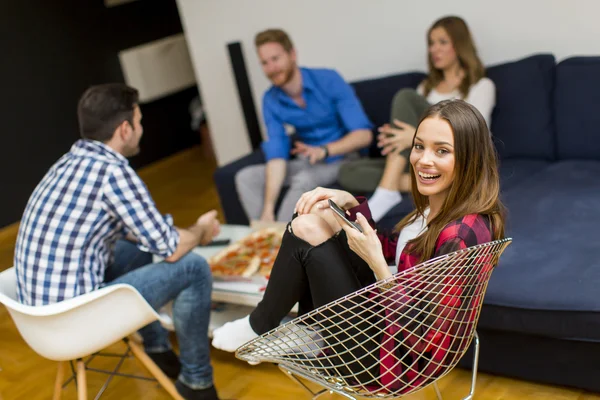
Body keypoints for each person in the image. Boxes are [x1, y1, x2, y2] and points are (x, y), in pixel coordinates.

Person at [212, 99, 505, 388]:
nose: (423, 160)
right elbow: (392, 248)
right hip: (383, 329)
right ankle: (300, 328)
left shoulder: (460, 235)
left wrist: (379, 265)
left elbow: (423, 335)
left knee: (307, 228)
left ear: (469, 158)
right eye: (419, 146)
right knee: (312, 222)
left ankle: (265, 325)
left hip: (389, 361)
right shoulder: (438, 208)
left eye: (442, 151)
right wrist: (350, 204)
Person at [14, 84, 221, 400]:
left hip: (37, 321)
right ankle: (197, 384)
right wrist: (201, 231)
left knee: (132, 248)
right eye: (139, 122)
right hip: (74, 322)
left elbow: (142, 234)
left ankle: (155, 348)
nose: (141, 128)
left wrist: (171, 235)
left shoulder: (69, 162)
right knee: (192, 267)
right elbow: (172, 248)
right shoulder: (113, 172)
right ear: (125, 129)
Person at [338, 16, 496, 222]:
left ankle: (387, 191)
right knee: (347, 172)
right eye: (431, 43)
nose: (433, 49)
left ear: (459, 44)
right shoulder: (426, 87)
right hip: (419, 159)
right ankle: (413, 183)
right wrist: (395, 137)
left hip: (451, 158)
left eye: (442, 42)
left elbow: (473, 137)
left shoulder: (481, 85)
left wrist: (411, 137)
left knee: (405, 96)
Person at [235, 28, 373, 223]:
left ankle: (282, 240)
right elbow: (276, 156)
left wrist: (324, 150)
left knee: (304, 179)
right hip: (309, 160)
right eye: (265, 63)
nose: (271, 68)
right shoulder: (270, 100)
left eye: (275, 59)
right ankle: (263, 232)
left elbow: (364, 135)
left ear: (292, 54)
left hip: (343, 158)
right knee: (246, 177)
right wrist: (267, 210)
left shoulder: (328, 79)